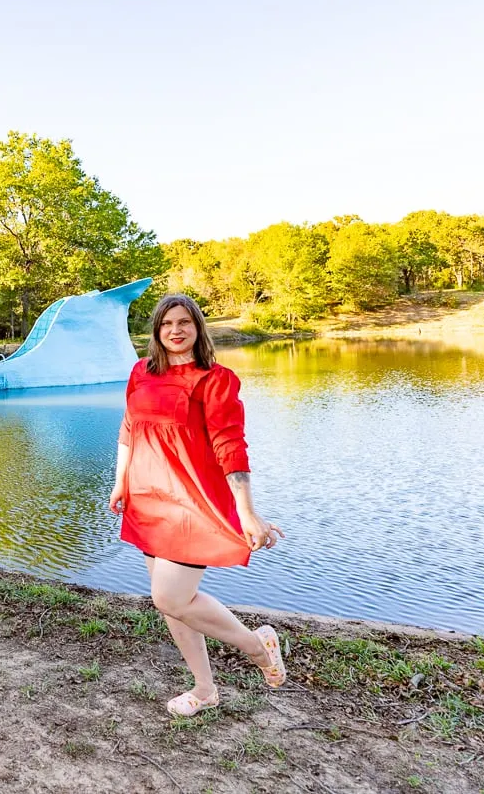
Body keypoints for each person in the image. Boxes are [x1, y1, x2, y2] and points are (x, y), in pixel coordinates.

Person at [108, 293, 287, 717]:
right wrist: (120, 483)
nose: (175, 330)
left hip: (192, 504)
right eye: (167, 323)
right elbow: (129, 428)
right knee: (173, 603)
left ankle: (257, 647)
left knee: (169, 598)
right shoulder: (140, 372)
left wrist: (246, 509)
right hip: (148, 502)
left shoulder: (215, 379)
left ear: (197, 329)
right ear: (156, 331)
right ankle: (205, 690)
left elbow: (231, 447)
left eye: (184, 322)